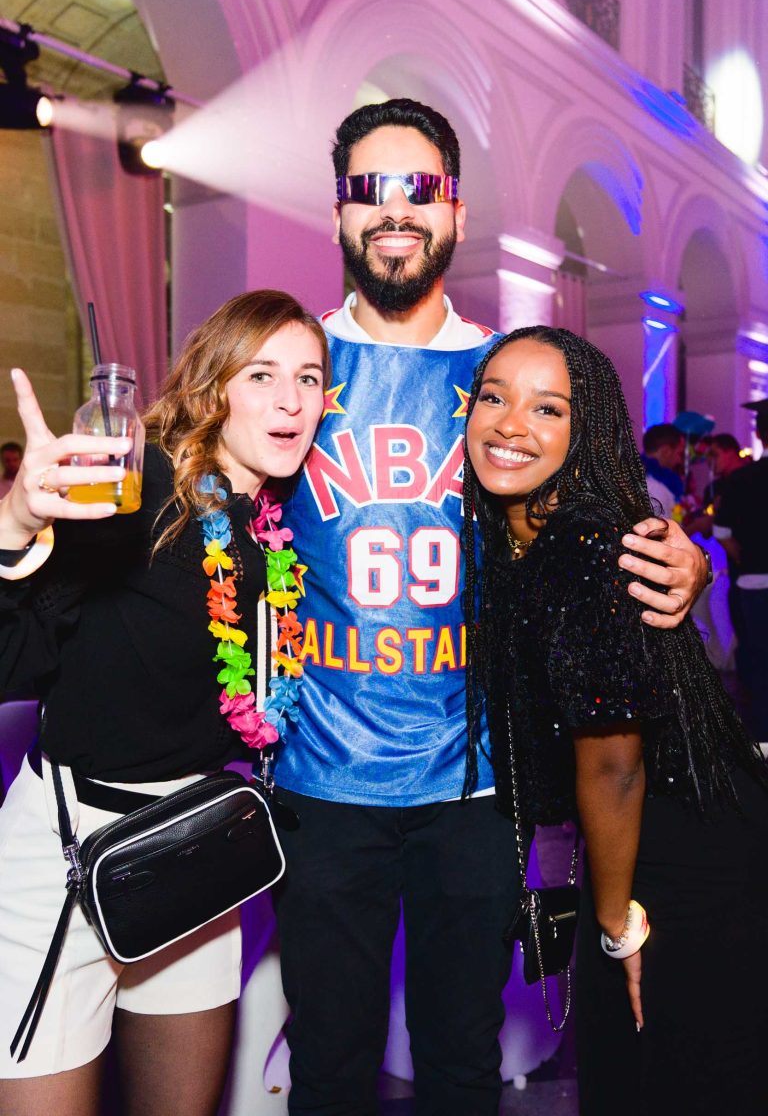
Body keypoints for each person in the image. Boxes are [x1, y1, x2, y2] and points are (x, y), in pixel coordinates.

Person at [271, 98, 708, 1114]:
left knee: (461, 1066)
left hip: (471, 794)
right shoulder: (292, 372)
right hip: (321, 784)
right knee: (329, 1067)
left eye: (420, 188)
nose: (395, 211)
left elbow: (612, 507)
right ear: (337, 215)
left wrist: (692, 565)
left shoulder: (501, 377)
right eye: (368, 190)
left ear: (457, 215)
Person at [0, 290, 329, 1116]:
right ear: (216, 386)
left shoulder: (273, 524)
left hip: (191, 855)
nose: (292, 399)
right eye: (263, 374)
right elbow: (13, 654)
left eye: (310, 377)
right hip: (67, 853)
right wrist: (16, 520)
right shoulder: (138, 485)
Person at [463, 326, 768, 1116]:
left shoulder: (588, 540)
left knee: (671, 1076)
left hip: (682, 855)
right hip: (638, 848)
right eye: (493, 397)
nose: (509, 424)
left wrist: (614, 924)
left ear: (586, 429)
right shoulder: (516, 537)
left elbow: (614, 759)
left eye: (547, 408)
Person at [714, 399, 768, 742]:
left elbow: (723, 536)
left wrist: (746, 559)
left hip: (753, 583)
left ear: (760, 434)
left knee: (759, 665)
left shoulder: (740, 480)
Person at [640, 423, 685, 517]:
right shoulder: (657, 487)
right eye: (679, 454)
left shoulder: (637, 475)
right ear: (666, 451)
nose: (679, 460)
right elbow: (663, 530)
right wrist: (697, 526)